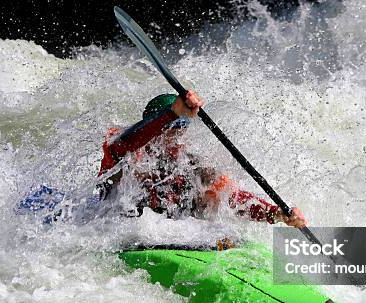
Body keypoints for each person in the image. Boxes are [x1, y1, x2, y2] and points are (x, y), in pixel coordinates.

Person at [95, 90, 307, 228]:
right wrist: (172, 114)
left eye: (180, 130)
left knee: (209, 196)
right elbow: (121, 145)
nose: (174, 139)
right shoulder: (126, 155)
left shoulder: (190, 166)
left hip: (171, 238)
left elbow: (232, 198)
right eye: (168, 129)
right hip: (111, 231)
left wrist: (276, 213)